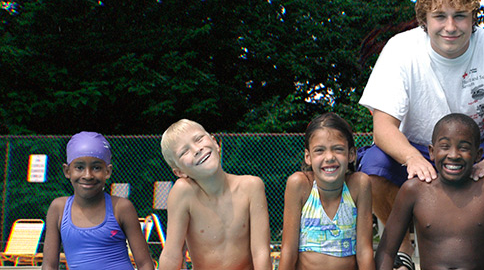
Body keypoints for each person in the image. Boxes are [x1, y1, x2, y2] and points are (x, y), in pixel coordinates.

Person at [358, 0, 484, 270]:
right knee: (371, 170)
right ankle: (402, 247)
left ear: (473, 17)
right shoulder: (399, 49)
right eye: (440, 16)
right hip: (420, 150)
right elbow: (382, 127)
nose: (450, 26)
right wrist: (410, 159)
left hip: (482, 150)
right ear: (424, 20)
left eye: (460, 16)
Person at [373, 113, 484, 270]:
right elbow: (387, 251)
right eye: (444, 146)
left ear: (478, 154)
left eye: (464, 148)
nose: (453, 155)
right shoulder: (414, 190)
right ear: (431, 152)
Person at [157, 119, 271, 270]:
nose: (197, 149)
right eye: (184, 152)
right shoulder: (184, 193)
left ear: (215, 143)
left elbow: (261, 252)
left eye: (199, 139)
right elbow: (172, 254)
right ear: (179, 172)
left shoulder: (251, 187)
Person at [41, 132, 154, 270]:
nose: (87, 175)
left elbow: (145, 264)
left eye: (96, 168)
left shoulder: (121, 208)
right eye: (79, 167)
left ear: (108, 171)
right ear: (67, 171)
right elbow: (49, 266)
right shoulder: (59, 209)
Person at [278, 113, 374, 270]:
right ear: (308, 157)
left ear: (351, 154)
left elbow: (365, 251)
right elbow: (288, 250)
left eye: (338, 149)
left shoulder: (359, 185)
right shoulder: (300, 185)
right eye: (319, 150)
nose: (329, 157)